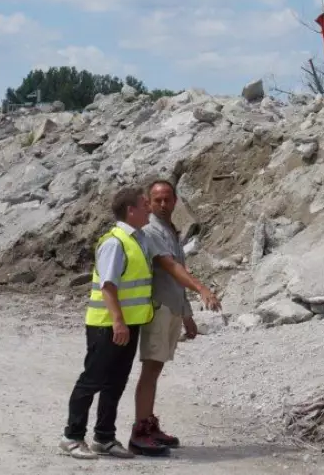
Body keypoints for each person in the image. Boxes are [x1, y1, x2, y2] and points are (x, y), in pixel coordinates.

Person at [59, 186, 162, 459]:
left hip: (128, 324)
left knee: (115, 382)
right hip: (107, 324)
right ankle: (72, 436)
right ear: (131, 210)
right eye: (144, 204)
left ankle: (104, 437)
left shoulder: (138, 239)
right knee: (92, 380)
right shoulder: (115, 242)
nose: (149, 208)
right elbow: (108, 286)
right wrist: (118, 322)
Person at [130, 178, 221, 455]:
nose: (162, 203)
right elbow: (170, 267)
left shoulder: (169, 229)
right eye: (156, 199)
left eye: (167, 198)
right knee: (150, 368)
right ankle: (140, 432)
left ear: (175, 201)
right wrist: (201, 289)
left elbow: (177, 269)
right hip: (158, 309)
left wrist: (186, 314)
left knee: (155, 369)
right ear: (148, 201)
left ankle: (149, 424)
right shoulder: (151, 232)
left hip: (171, 307)